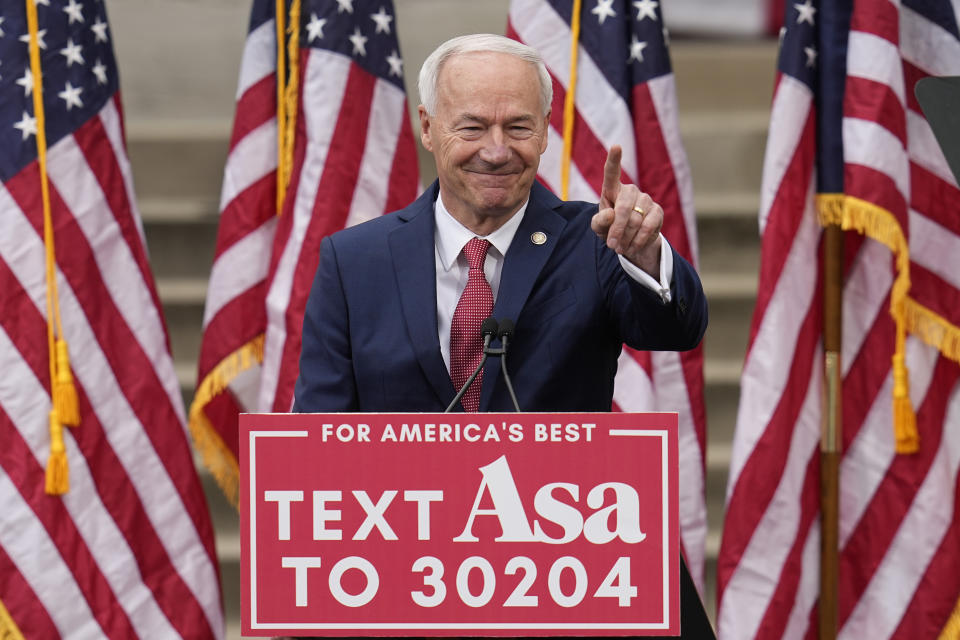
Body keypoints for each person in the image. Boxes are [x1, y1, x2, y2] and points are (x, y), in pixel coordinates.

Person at [293, 33, 712, 638]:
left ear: (545, 131)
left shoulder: (594, 242)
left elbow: (676, 327)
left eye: (518, 127)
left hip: (570, 584)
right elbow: (321, 443)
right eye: (471, 128)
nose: (496, 151)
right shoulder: (352, 261)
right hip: (407, 589)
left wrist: (645, 256)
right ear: (428, 127)